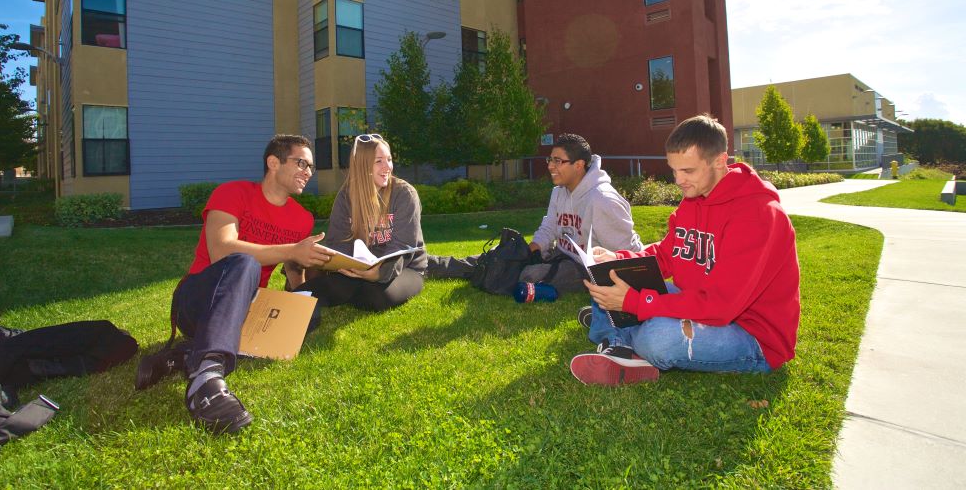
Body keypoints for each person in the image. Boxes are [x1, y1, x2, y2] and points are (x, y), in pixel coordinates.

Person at [569, 114, 800, 386]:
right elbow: (667, 256)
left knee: (658, 337)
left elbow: (721, 306)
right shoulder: (695, 198)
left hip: (751, 335)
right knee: (614, 276)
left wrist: (633, 303)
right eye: (673, 170)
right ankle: (618, 343)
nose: (678, 180)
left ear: (720, 161)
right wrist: (617, 259)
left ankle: (616, 328)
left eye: (688, 171)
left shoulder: (759, 214)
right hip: (698, 305)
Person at [135, 135, 335, 434]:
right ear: (273, 162)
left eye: (311, 167)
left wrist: (300, 290)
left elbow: (292, 268)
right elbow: (222, 250)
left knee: (308, 316)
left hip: (250, 305)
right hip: (201, 300)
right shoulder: (233, 193)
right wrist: (292, 249)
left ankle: (184, 356)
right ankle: (206, 380)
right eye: (301, 163)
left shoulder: (301, 218)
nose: (308, 172)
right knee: (244, 262)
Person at [429, 133, 642, 294]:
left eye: (558, 161)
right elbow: (549, 229)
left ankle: (498, 272)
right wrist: (528, 251)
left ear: (579, 165)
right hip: (561, 254)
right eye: (550, 160)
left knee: (526, 275)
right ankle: (430, 264)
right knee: (499, 258)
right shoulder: (559, 192)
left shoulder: (602, 199)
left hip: (585, 269)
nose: (550, 166)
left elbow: (626, 252)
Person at [289, 134, 426, 311]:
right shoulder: (346, 196)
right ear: (362, 165)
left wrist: (380, 272)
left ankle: (357, 288)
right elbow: (337, 241)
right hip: (358, 269)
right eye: (379, 161)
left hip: (404, 269)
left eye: (389, 159)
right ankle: (290, 303)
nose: (387, 167)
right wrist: (348, 266)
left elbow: (403, 245)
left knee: (376, 296)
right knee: (333, 287)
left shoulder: (404, 194)